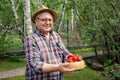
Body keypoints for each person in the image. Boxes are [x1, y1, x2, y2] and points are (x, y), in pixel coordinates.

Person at [23, 5, 82, 80]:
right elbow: (35, 64)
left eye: (50, 20)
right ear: (36, 21)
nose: (47, 22)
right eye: (44, 20)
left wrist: (75, 60)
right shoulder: (31, 39)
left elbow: (65, 53)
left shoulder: (55, 36)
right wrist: (58, 67)